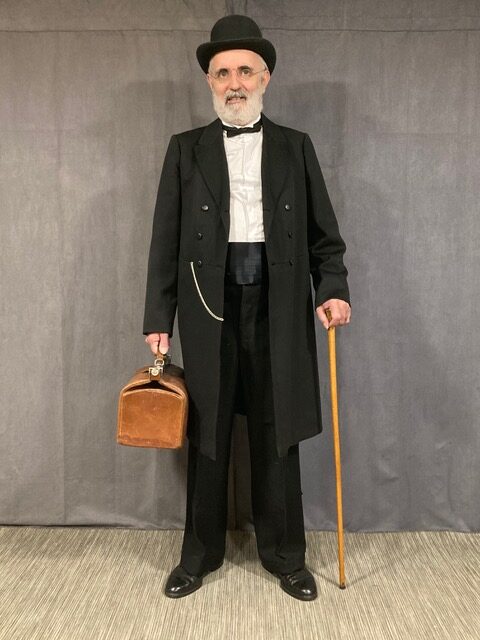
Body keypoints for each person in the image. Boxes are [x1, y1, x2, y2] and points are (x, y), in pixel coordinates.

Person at [143, 14, 351, 601]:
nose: (234, 82)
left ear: (265, 78)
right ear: (210, 82)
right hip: (208, 306)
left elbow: (325, 236)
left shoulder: (295, 146)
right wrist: (158, 319)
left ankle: (286, 557)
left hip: (278, 305)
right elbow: (164, 241)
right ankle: (198, 556)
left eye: (244, 71)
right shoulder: (185, 149)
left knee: (276, 428)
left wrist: (333, 288)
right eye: (222, 73)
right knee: (207, 432)